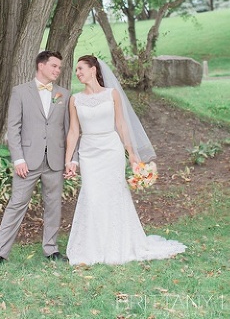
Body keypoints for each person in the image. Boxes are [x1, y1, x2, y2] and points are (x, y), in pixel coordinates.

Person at [64, 55, 186, 265]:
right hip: (89, 152)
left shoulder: (112, 94)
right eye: (76, 70)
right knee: (92, 196)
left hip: (111, 150)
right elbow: (74, 131)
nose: (78, 73)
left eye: (81, 68)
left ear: (93, 69)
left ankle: (119, 244)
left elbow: (121, 124)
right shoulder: (75, 99)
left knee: (114, 195)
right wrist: (68, 160)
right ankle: (92, 248)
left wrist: (131, 153)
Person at [0, 51, 73, 265]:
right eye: (54, 66)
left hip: (54, 160)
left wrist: (71, 159)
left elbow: (69, 130)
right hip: (27, 161)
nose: (57, 70)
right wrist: (18, 159)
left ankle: (51, 249)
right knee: (16, 204)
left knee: (54, 206)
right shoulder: (20, 92)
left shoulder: (64, 94)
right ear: (41, 66)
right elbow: (13, 128)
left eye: (59, 67)